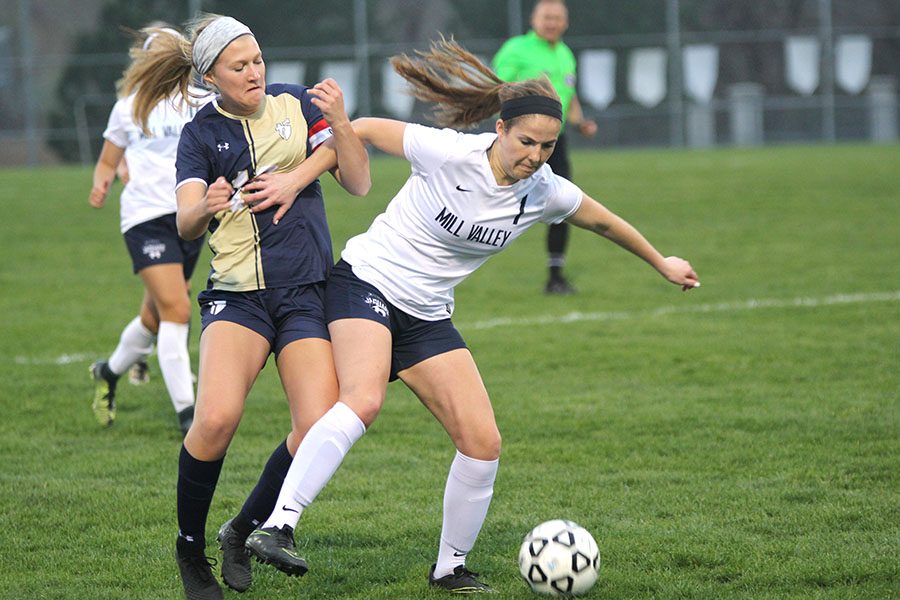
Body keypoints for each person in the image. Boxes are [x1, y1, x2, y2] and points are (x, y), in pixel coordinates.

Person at [243, 38, 699, 594]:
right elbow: (359, 128)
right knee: (362, 399)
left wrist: (661, 261)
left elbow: (601, 221)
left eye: (547, 147)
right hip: (366, 281)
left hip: (428, 315)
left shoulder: (544, 191)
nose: (534, 155)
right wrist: (296, 177)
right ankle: (278, 526)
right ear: (501, 130)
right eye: (526, 141)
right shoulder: (449, 151)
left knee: (483, 442)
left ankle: (448, 569)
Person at [118, 14, 371, 600]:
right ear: (211, 77)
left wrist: (328, 136)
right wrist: (204, 205)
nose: (256, 71)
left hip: (307, 292)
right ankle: (189, 548)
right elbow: (183, 220)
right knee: (214, 420)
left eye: (258, 59)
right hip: (238, 296)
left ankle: (242, 530)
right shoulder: (201, 135)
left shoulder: (292, 103)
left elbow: (355, 178)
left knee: (315, 427)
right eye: (240, 65)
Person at [89, 25, 213, 435]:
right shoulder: (129, 105)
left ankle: (108, 372)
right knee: (177, 308)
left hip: (190, 217)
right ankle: (188, 415)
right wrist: (102, 181)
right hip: (145, 219)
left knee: (155, 314)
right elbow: (109, 158)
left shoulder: (200, 100)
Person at [493, 0, 599, 295]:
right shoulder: (516, 49)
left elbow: (570, 95)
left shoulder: (565, 53)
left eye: (557, 18)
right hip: (519, 140)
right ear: (533, 19)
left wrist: (580, 123)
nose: (552, 22)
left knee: (563, 204)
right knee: (497, 199)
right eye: (546, 16)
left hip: (555, 142)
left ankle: (555, 276)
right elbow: (498, 88)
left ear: (565, 22)